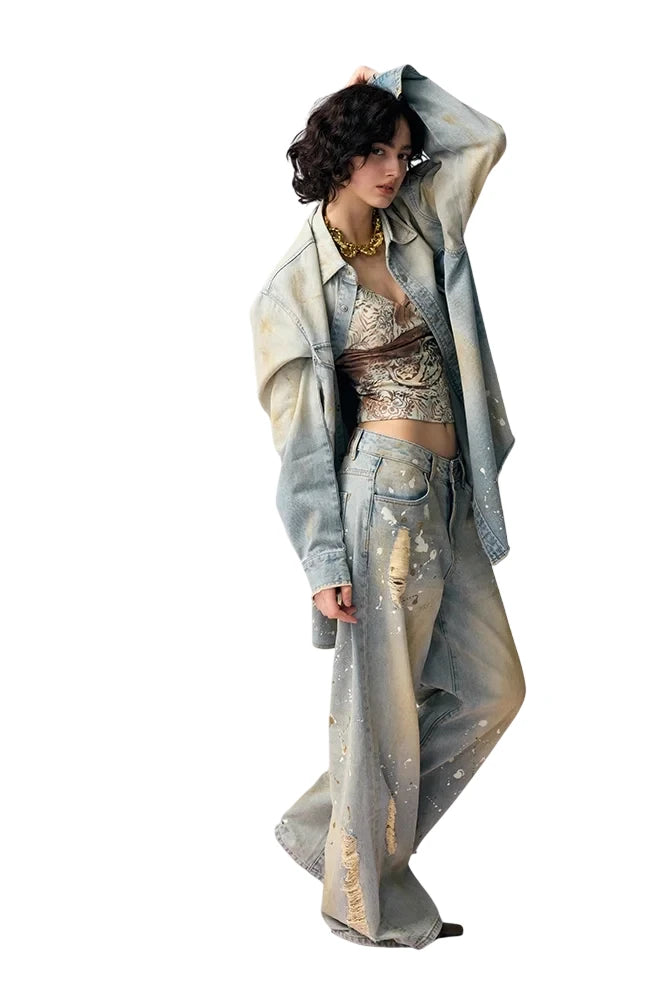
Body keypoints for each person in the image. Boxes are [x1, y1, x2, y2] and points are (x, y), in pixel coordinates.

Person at [250, 63, 526, 949]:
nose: (394, 169)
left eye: (403, 153)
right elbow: (299, 443)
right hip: (381, 506)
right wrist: (323, 562)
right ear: (334, 156)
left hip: (447, 495)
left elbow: (482, 141)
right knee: (381, 712)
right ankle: (364, 905)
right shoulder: (293, 289)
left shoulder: (415, 223)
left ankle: (332, 831)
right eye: (374, 151)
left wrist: (400, 83)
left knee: (493, 689)